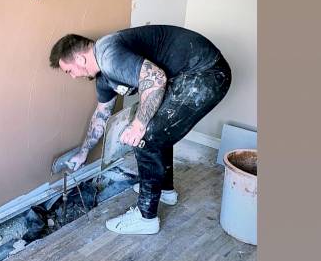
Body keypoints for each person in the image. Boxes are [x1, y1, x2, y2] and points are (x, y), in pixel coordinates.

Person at [49, 25, 232, 235]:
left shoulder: (109, 55)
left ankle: (146, 218)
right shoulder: (104, 76)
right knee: (159, 130)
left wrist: (138, 126)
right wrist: (83, 152)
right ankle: (165, 190)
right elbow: (101, 115)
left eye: (69, 70)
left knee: (146, 136)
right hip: (184, 76)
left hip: (206, 72)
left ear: (80, 59)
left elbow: (157, 79)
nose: (73, 76)